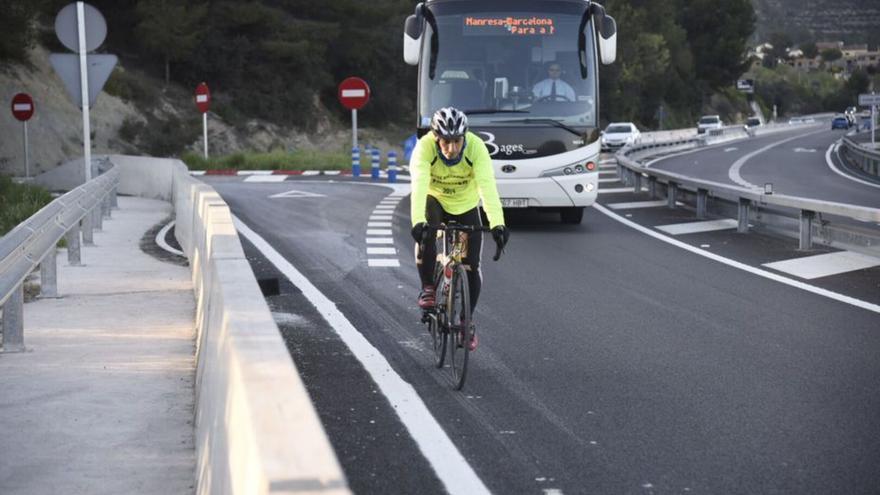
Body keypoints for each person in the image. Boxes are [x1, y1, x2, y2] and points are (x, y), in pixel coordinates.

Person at [410, 107, 510, 351]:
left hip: (465, 203)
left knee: (471, 264)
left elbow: (487, 187)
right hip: (435, 199)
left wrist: (497, 223)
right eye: (446, 142)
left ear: (465, 137)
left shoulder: (476, 148)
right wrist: (417, 223)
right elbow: (420, 185)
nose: (452, 148)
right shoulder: (424, 148)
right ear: (436, 138)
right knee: (427, 234)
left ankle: (466, 322)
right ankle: (429, 289)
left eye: (457, 141)